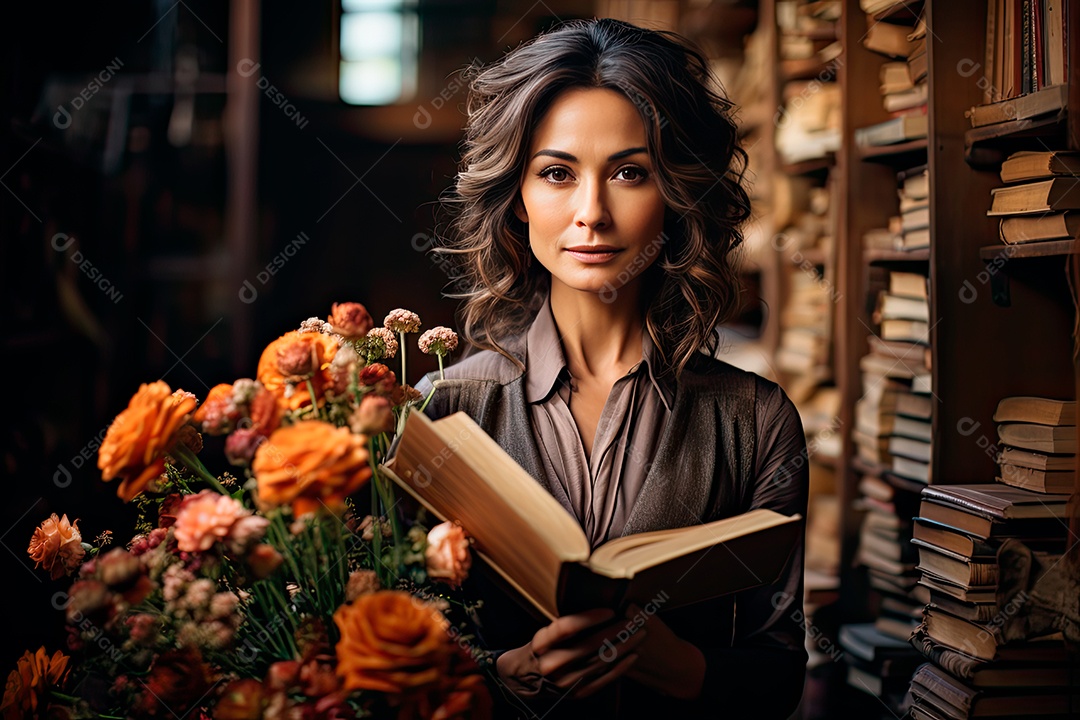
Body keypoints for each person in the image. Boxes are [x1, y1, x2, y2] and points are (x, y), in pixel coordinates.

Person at [415, 17, 809, 719]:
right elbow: (390, 660)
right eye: (557, 173)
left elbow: (779, 678)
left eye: (630, 173)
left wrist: (680, 667)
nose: (592, 213)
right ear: (517, 198)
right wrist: (504, 674)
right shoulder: (439, 411)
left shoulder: (757, 421)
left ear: (677, 196)